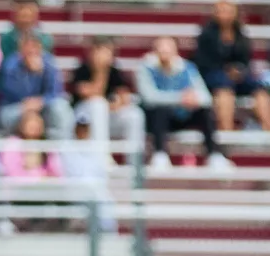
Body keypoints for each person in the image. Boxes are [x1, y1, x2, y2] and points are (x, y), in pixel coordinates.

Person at [137, 37, 231, 172]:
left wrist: (194, 99)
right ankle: (160, 155)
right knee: (159, 110)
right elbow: (149, 97)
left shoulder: (187, 68)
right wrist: (179, 97)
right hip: (157, 119)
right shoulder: (146, 68)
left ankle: (214, 155)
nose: (164, 51)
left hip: (182, 115)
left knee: (205, 112)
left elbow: (205, 97)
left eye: (168, 48)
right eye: (161, 48)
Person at [194, 0, 270, 132]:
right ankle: (227, 131)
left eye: (228, 11)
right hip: (213, 75)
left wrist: (238, 69)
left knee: (260, 89)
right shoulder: (206, 35)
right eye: (221, 11)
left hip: (238, 75)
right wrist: (226, 70)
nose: (225, 14)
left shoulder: (240, 34)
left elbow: (245, 59)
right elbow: (203, 62)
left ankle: (267, 128)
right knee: (224, 89)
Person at [70, 36, 145, 148]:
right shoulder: (82, 69)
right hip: (84, 117)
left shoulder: (114, 71)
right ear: (93, 51)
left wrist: (117, 103)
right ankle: (102, 155)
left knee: (135, 114)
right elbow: (90, 93)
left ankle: (134, 162)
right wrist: (101, 71)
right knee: (98, 105)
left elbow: (124, 95)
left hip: (109, 115)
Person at [0, 33, 73, 140]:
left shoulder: (48, 63)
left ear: (40, 48)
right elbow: (10, 93)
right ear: (20, 50)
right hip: (18, 107)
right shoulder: (10, 64)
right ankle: (12, 145)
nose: (31, 51)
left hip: (43, 107)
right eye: (27, 47)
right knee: (5, 116)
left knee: (61, 107)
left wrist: (41, 101)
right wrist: (28, 73)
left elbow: (56, 92)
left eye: (34, 47)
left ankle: (61, 146)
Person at [0, 0, 51, 65]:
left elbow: (49, 65)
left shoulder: (45, 40)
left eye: (29, 8)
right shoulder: (6, 40)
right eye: (21, 8)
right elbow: (4, 66)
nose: (25, 12)